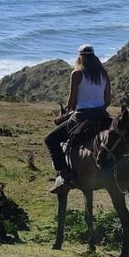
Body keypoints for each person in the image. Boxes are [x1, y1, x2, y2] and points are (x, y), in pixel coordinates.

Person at [44, 44, 112, 193]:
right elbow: (108, 100)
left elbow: (71, 101)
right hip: (103, 116)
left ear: (80, 57)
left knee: (51, 139)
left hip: (81, 116)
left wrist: (68, 112)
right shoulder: (103, 74)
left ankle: (63, 174)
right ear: (94, 57)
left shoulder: (77, 74)